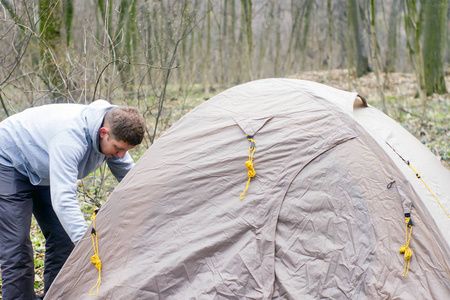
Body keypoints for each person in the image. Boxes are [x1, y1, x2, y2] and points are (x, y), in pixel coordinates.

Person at [0, 100, 145, 300]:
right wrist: (87, 245)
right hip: (8, 161)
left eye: (126, 151)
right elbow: (64, 199)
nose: (121, 155)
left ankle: (55, 296)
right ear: (104, 132)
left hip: (44, 168)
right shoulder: (70, 138)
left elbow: (133, 179)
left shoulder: (115, 130)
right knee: (17, 245)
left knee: (64, 237)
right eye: (118, 148)